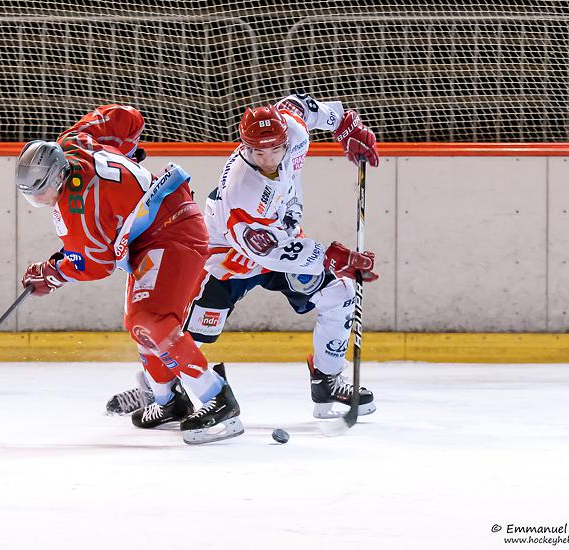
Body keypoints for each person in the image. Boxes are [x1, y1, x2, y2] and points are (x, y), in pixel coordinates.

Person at [106, 93, 380, 422]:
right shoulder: (241, 189)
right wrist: (329, 257)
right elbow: (267, 252)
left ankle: (327, 381)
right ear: (245, 147)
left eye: (274, 149)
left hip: (282, 241)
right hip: (228, 259)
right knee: (180, 337)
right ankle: (159, 390)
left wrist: (346, 126)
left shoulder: (293, 130)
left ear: (285, 139)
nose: (267, 158)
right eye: (257, 151)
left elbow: (300, 106)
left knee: (340, 293)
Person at [16, 104, 243, 445]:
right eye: (32, 196)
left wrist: (50, 274)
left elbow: (95, 264)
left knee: (152, 321)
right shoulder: (74, 140)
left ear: (60, 176)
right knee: (138, 323)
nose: (41, 199)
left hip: (173, 232)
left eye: (42, 191)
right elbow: (127, 117)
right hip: (153, 234)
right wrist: (126, 151)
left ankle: (217, 397)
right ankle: (168, 401)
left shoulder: (78, 206)